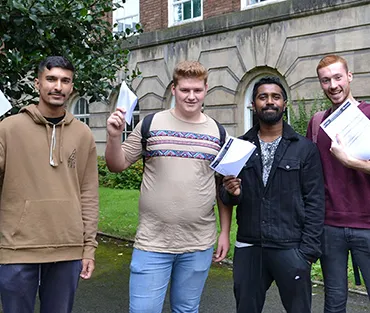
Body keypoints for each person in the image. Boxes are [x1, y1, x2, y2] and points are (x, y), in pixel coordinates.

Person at [105, 60, 232, 313]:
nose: (191, 96)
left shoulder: (218, 133)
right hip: (153, 242)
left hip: (198, 242)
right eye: (185, 90)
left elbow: (223, 187)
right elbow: (116, 165)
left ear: (206, 89)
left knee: (186, 309)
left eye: (197, 90)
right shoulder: (150, 124)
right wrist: (113, 136)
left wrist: (225, 232)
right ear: (174, 89)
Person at [0, 56, 99, 313]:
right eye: (51, 79)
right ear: (37, 83)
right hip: (16, 248)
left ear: (72, 86)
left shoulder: (83, 134)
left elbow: (88, 194)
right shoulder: (8, 129)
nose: (58, 86)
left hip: (67, 247)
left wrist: (88, 248)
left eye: (65, 81)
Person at [220, 76, 325, 313]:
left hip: (291, 247)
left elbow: (316, 201)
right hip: (249, 246)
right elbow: (227, 197)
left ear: (284, 103)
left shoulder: (304, 148)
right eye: (262, 97)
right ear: (254, 104)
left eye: (275, 97)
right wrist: (232, 192)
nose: (269, 102)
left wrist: (306, 254)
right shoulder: (239, 147)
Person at [307, 54, 370, 312]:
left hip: (367, 224)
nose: (332, 85)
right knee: (333, 303)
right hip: (329, 226)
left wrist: (352, 162)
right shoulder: (317, 122)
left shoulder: (369, 114)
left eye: (337, 77)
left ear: (349, 77)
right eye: (325, 80)